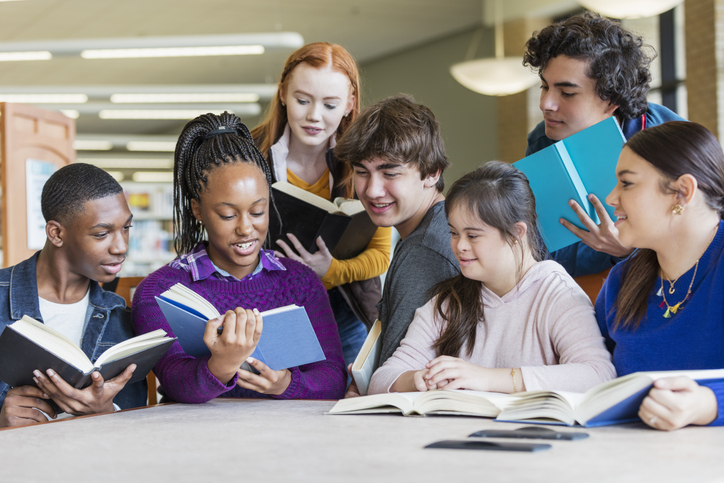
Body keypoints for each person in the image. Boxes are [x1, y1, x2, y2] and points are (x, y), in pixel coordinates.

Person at [132, 112, 346, 403]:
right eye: (228, 215)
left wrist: (284, 383)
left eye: (257, 212)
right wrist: (221, 364)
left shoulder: (300, 283)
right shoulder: (158, 292)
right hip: (194, 440)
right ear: (197, 210)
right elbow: (176, 382)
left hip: (287, 439)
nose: (246, 229)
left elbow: (333, 378)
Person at [369, 162, 615, 394]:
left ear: (516, 233)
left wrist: (487, 378)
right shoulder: (447, 301)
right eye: (453, 233)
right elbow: (382, 379)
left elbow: (598, 374)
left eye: (473, 236)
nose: (459, 246)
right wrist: (418, 379)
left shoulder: (556, 292)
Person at [251, 42, 391, 368]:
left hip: (343, 308)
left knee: (343, 402)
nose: (314, 116)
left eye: (330, 105)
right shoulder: (248, 153)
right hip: (265, 307)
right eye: (302, 100)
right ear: (283, 93)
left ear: (349, 104)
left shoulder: (362, 163)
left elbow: (381, 255)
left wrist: (330, 272)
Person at [523, 12, 685, 277]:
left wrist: (632, 248)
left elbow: (702, 233)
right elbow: (544, 247)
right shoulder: (542, 141)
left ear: (611, 99)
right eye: (544, 87)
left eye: (567, 93)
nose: (545, 104)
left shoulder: (672, 139)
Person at [597, 121, 724, 430]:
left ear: (682, 192)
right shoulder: (620, 281)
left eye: (626, 183)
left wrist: (708, 403)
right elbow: (589, 372)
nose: (611, 198)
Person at [0, 163, 146, 428]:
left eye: (126, 227)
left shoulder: (122, 316)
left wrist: (106, 410)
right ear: (56, 233)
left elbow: (137, 420)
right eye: (102, 234)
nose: (122, 246)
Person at [335, 94, 461, 389]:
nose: (372, 190)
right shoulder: (443, 224)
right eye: (362, 172)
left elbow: (395, 373)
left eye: (390, 173)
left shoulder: (424, 249)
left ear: (432, 173)